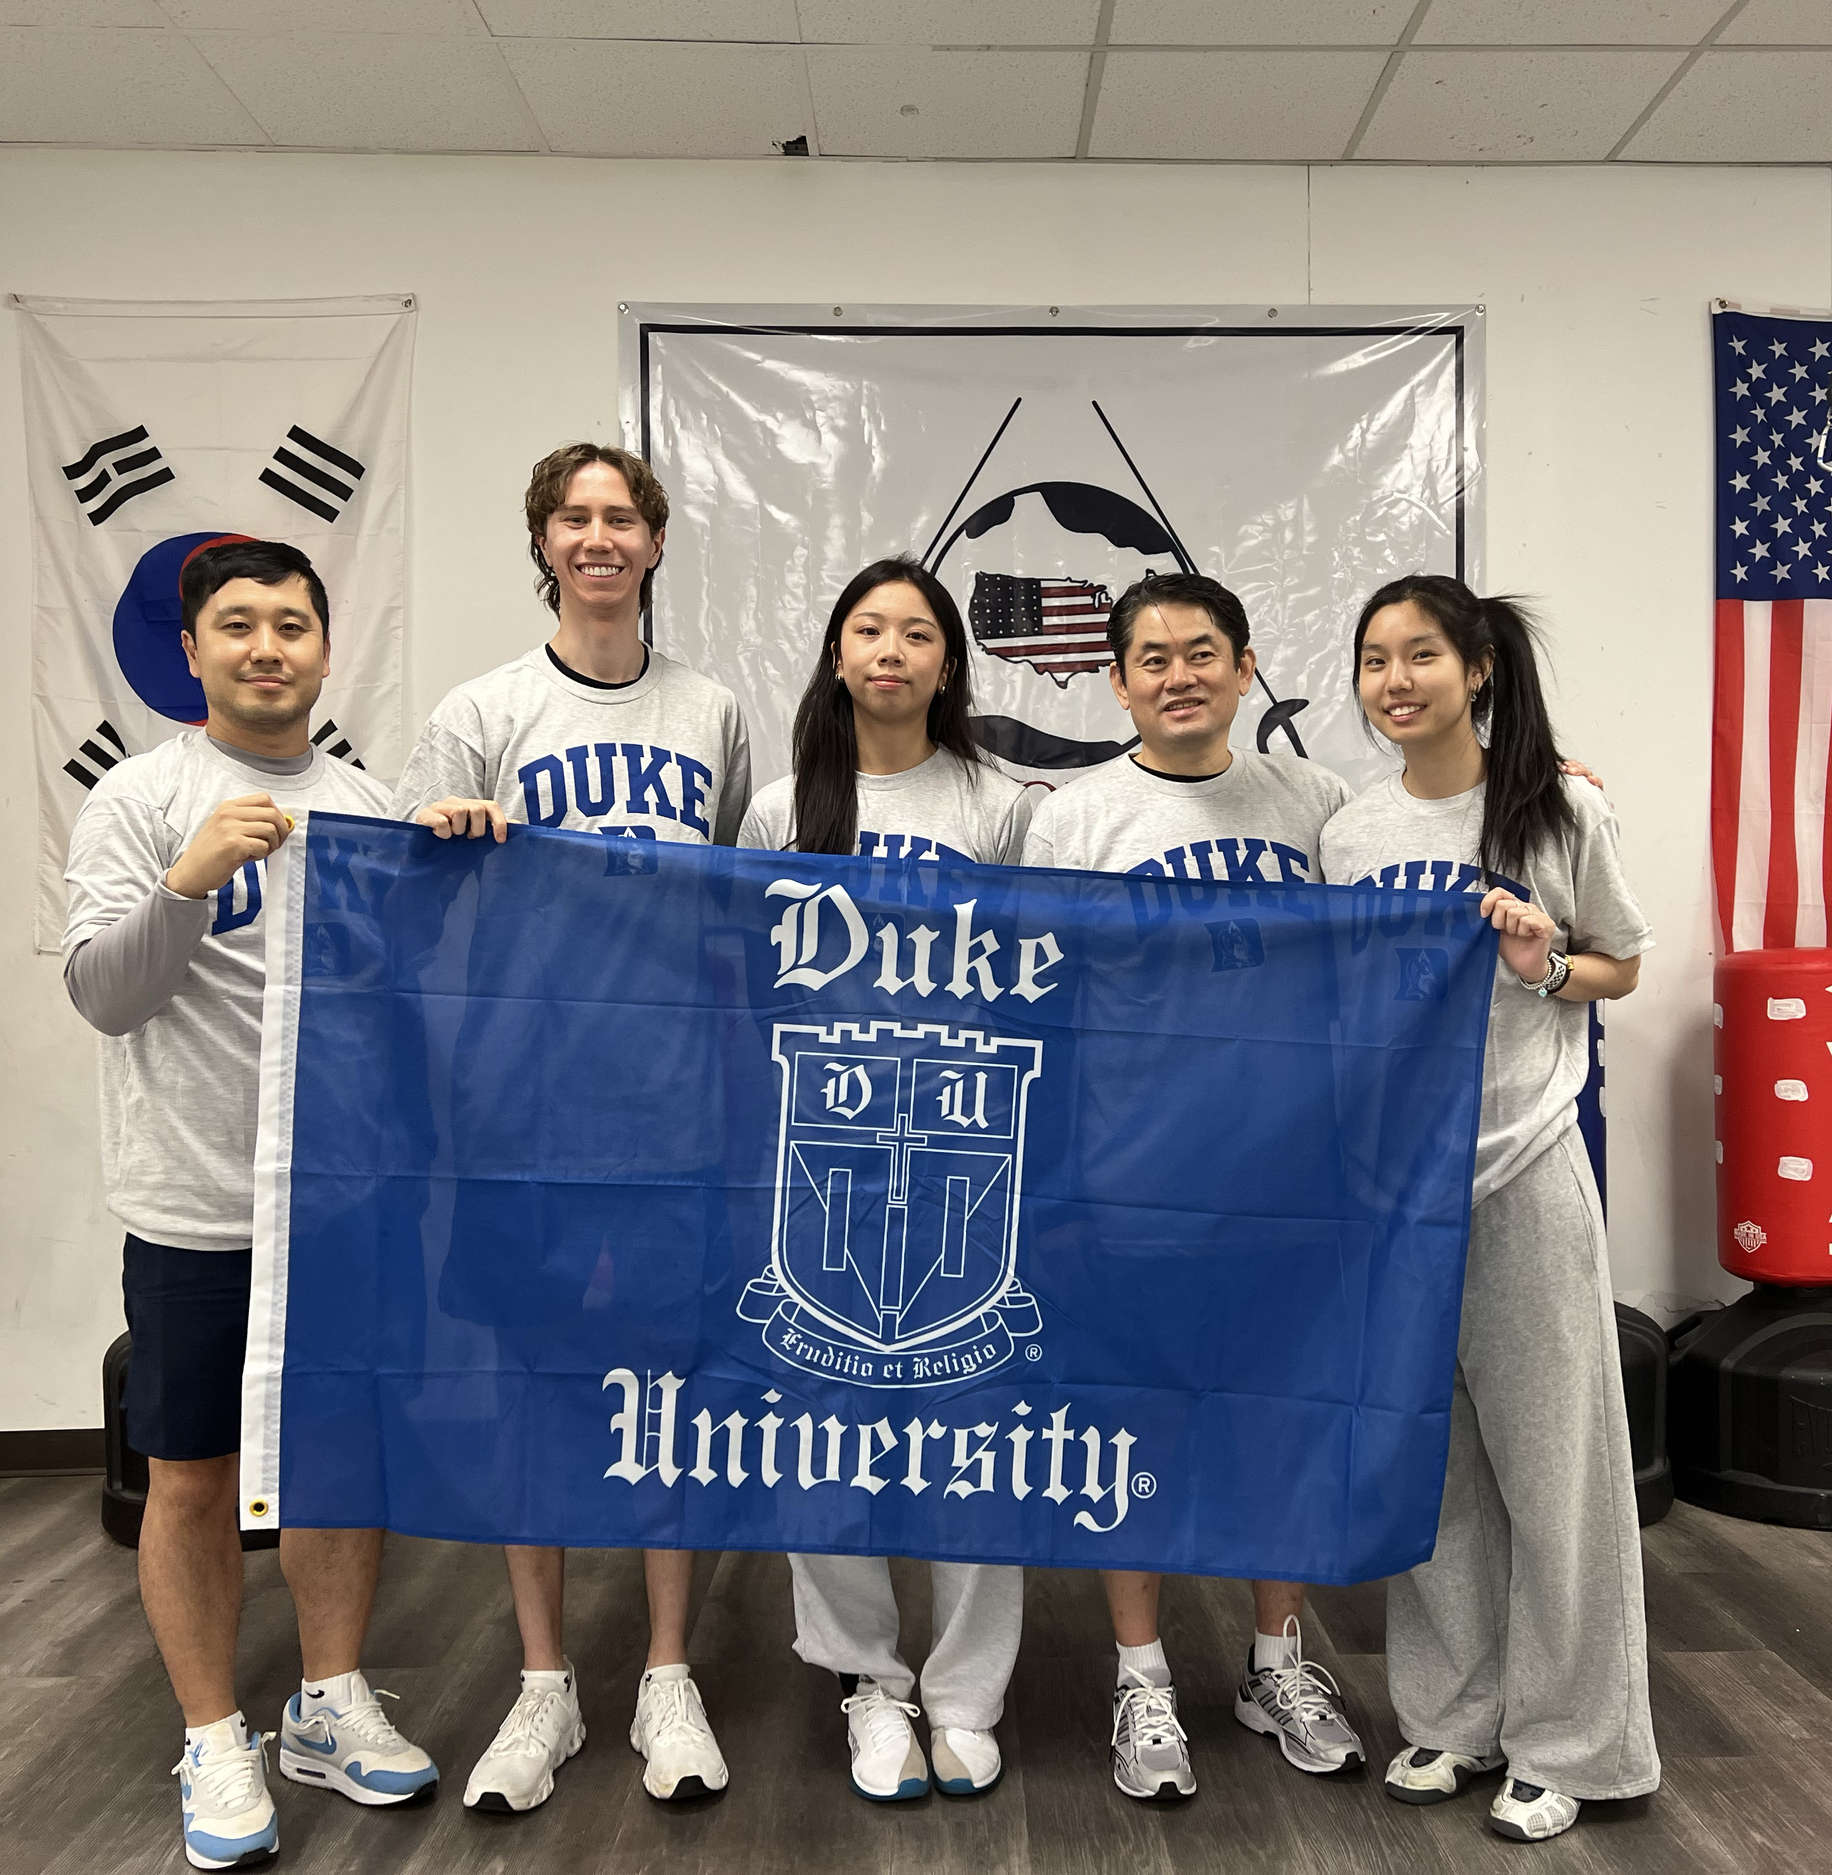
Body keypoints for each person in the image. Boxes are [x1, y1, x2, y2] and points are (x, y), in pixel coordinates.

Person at [64, 536, 437, 1871]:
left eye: (292, 622)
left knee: (341, 1460)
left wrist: (463, 859)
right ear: (192, 650)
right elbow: (104, 993)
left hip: (343, 1204)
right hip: (194, 1203)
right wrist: (186, 877)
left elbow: (419, 1010)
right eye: (239, 623)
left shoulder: (372, 803)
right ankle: (214, 1728)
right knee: (194, 1471)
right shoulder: (141, 797)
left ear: (327, 649)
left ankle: (328, 1695)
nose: (268, 645)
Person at [394, 442, 747, 1813]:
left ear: (655, 545)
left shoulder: (710, 709)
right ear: (543, 543)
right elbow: (408, 903)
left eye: (621, 517)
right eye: (573, 518)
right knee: (537, 1384)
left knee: (670, 1385)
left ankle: (666, 1666)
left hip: (670, 1107)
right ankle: (545, 1679)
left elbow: (731, 908)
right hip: (522, 1107)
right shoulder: (480, 708)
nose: (598, 537)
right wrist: (441, 833)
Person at [1318, 574, 1659, 1846]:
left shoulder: (1560, 807)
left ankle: (1574, 1742)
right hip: (1394, 1198)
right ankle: (1454, 1721)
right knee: (1438, 1464)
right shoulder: (1347, 836)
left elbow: (1622, 959)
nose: (1393, 680)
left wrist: (1546, 963)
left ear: (1477, 671)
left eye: (1419, 656)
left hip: (1523, 1172)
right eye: (1371, 660)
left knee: (1558, 1471)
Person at [1019, 570, 1365, 1803]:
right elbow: (1042, 1020)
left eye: (1201, 651)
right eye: (1152, 657)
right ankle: (1142, 1674)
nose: (1178, 674)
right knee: (1137, 1425)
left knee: (1279, 1416)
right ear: (1116, 680)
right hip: (1135, 1181)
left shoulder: (1316, 802)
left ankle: (1277, 1661)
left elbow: (1434, 858)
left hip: (1285, 1176)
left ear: (1243, 663)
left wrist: (1546, 796)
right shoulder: (1073, 821)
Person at [738, 557, 1034, 1802]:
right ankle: (867, 1679)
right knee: (829, 1439)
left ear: (949, 662)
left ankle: (968, 1689)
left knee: (974, 1436)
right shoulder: (773, 810)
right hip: (822, 1155)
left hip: (973, 1148)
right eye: (869, 629)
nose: (892, 651)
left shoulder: (1000, 803)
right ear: (838, 654)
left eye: (918, 632)